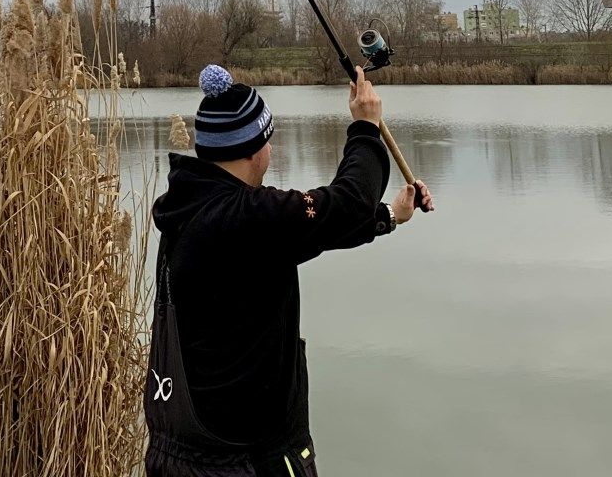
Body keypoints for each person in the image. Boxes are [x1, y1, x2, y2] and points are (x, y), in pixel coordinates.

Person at [145, 63, 432, 477]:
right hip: (241, 459)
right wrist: (367, 128)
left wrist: (388, 214)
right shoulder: (246, 216)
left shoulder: (190, 205)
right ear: (254, 148)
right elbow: (346, 203)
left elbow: (308, 232)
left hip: (184, 451)